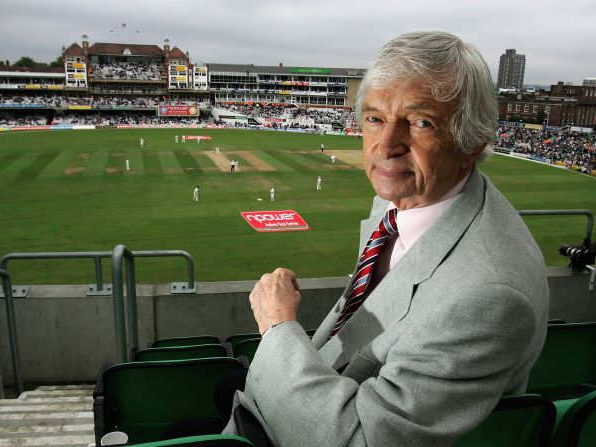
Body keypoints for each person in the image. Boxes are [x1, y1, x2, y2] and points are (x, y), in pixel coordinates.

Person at [222, 31, 549, 447]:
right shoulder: (404, 198)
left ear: (471, 144)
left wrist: (278, 328)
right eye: (375, 118)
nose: (386, 145)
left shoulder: (488, 296)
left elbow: (363, 440)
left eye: (420, 122)